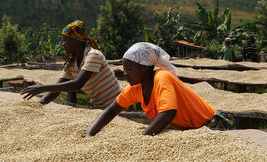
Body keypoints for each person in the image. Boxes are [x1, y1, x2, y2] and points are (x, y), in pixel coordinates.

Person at [85, 42, 233, 137]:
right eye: (124, 69)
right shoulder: (136, 88)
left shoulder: (162, 77)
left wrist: (144, 137)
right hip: (189, 131)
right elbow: (111, 110)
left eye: (129, 69)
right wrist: (90, 134)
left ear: (144, 66)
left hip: (212, 126)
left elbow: (168, 113)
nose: (125, 74)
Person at [21, 20, 122, 108]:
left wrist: (42, 88)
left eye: (66, 40)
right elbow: (58, 88)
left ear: (77, 39)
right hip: (101, 107)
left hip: (119, 103)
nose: (63, 44)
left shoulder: (93, 55)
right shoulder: (71, 62)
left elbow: (77, 84)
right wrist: (38, 105)